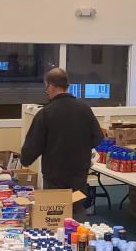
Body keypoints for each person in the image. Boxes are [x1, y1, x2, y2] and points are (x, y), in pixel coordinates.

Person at [19, 68, 104, 211]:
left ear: (52, 86)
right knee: (76, 212)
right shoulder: (84, 109)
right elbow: (97, 140)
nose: (46, 91)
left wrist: (24, 160)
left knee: (55, 215)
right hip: (79, 173)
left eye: (46, 87)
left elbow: (32, 147)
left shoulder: (45, 113)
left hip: (54, 175)